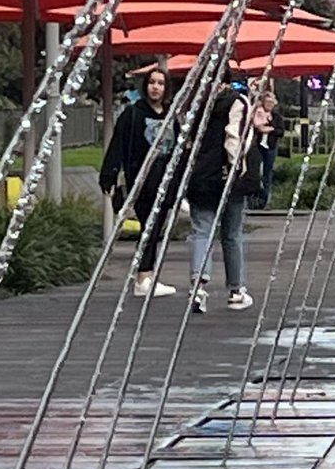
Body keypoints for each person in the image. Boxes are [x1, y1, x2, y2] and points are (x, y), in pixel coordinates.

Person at [100, 66, 180, 296]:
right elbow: (118, 144)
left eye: (161, 83)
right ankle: (143, 277)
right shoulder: (133, 113)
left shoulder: (171, 115)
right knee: (150, 226)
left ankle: (148, 275)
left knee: (156, 227)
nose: (156, 87)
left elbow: (179, 148)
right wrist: (109, 175)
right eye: (152, 82)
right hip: (142, 181)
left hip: (166, 181)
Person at [184, 75, 259, 313]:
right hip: (227, 177)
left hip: (201, 175)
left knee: (201, 231)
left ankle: (198, 288)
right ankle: (236, 291)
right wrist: (238, 169)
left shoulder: (195, 102)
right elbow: (234, 138)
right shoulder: (237, 101)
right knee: (232, 234)